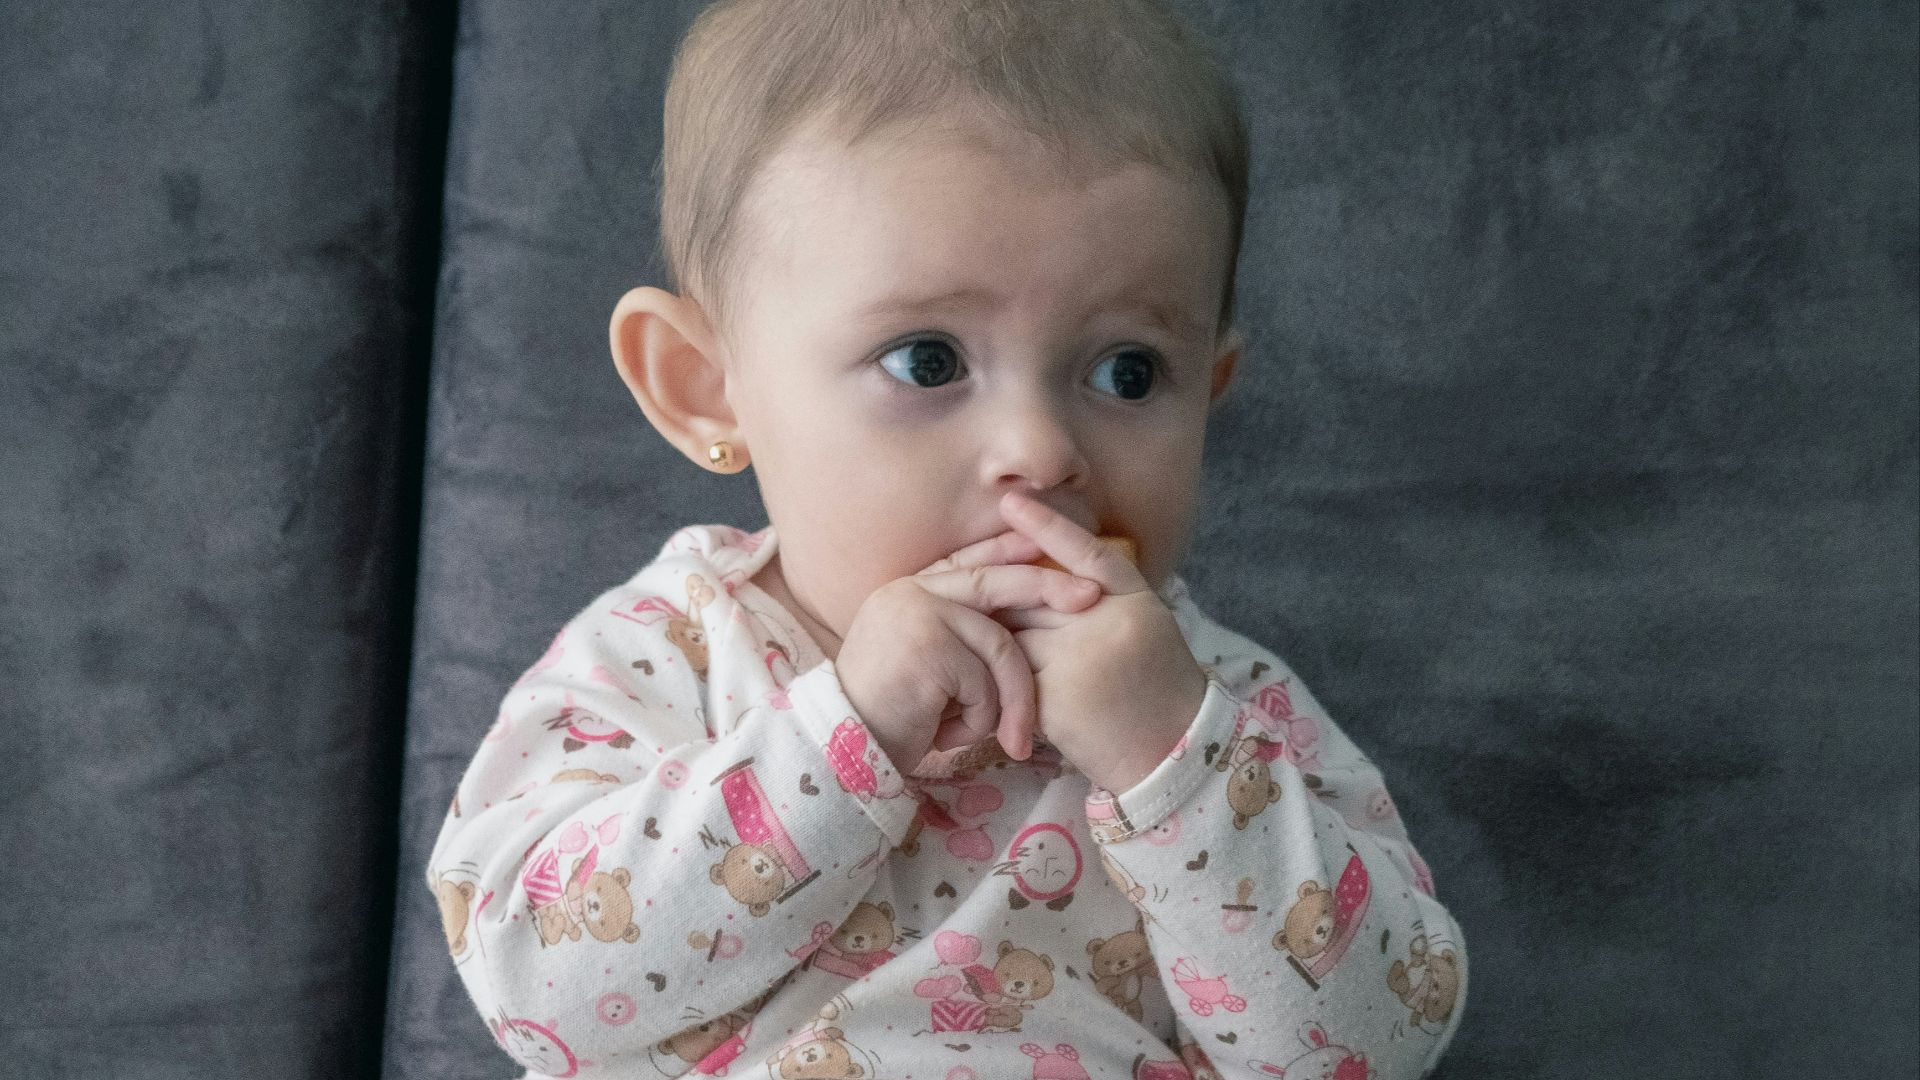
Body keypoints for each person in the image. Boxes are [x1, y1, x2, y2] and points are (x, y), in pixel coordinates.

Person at [426, 1, 1468, 1076]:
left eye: (1128, 372)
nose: (1041, 450)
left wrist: (1175, 767)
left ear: (1209, 393)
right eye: (928, 361)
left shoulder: (1217, 707)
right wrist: (847, 733)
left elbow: (1375, 1045)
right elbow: (531, 984)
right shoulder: (665, 659)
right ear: (707, 388)